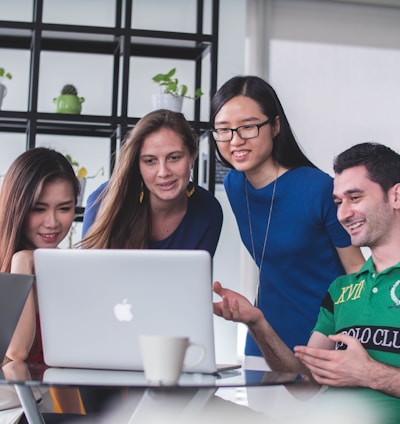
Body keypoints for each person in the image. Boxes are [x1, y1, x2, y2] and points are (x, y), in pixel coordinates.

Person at [213, 142, 400, 422]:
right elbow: (304, 384)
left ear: (396, 196)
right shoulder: (342, 290)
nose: (343, 213)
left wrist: (369, 373)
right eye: (338, 202)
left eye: (356, 197)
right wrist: (257, 323)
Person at [210, 75, 365, 367]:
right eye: (224, 130)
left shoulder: (317, 188)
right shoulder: (234, 185)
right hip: (263, 338)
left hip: (323, 340)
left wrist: (355, 344)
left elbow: (356, 271)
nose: (235, 140)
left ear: (276, 125)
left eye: (248, 127)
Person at [0, 147, 84, 419]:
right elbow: (17, 352)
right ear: (18, 208)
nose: (52, 223)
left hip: (35, 409)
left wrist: (80, 420)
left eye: (64, 208)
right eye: (39, 209)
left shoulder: (59, 269)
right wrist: (22, 263)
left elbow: (61, 368)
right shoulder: (17, 264)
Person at [81, 108, 223, 258]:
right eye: (150, 161)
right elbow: (89, 274)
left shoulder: (208, 210)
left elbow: (195, 278)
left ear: (192, 156)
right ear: (138, 165)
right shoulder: (103, 199)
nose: (163, 172)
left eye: (174, 157)